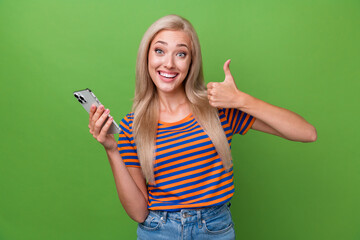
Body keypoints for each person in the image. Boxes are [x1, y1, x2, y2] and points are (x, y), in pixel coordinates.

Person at [88, 15, 317, 240]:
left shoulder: (217, 109)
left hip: (215, 229)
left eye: (181, 54)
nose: (169, 63)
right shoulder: (132, 126)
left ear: (191, 62)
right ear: (146, 57)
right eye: (159, 50)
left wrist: (240, 100)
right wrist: (111, 149)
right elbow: (138, 212)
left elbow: (306, 133)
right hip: (159, 231)